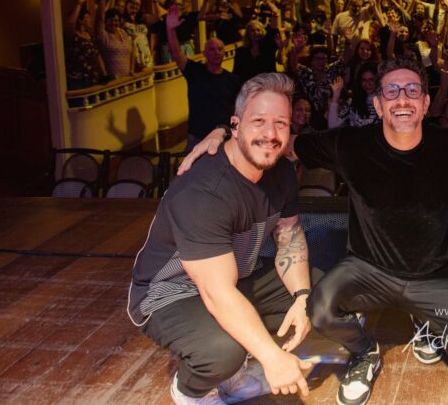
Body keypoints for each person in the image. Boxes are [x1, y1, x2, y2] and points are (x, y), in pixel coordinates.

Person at [185, 55, 448, 405]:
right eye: (391, 91)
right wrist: (226, 131)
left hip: (434, 276)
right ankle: (365, 352)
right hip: (367, 269)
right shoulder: (351, 144)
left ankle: (428, 322)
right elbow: (284, 141)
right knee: (317, 309)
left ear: (426, 103)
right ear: (378, 104)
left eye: (412, 90)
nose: (402, 98)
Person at [128, 73, 317, 405]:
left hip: (232, 276)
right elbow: (216, 294)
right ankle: (192, 390)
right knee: (223, 352)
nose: (270, 135)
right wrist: (272, 358)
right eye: (259, 121)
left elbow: (290, 236)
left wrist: (302, 297)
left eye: (281, 123)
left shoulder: (282, 172)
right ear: (235, 124)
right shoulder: (204, 191)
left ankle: (232, 373)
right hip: (171, 290)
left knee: (323, 296)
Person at [166, 5, 241, 149]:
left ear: (224, 53)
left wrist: (235, 134)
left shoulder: (232, 79)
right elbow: (175, 52)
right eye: (211, 49)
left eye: (220, 49)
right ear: (205, 53)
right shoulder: (194, 71)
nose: (216, 52)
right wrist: (170, 29)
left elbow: (236, 110)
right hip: (198, 136)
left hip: (223, 136)